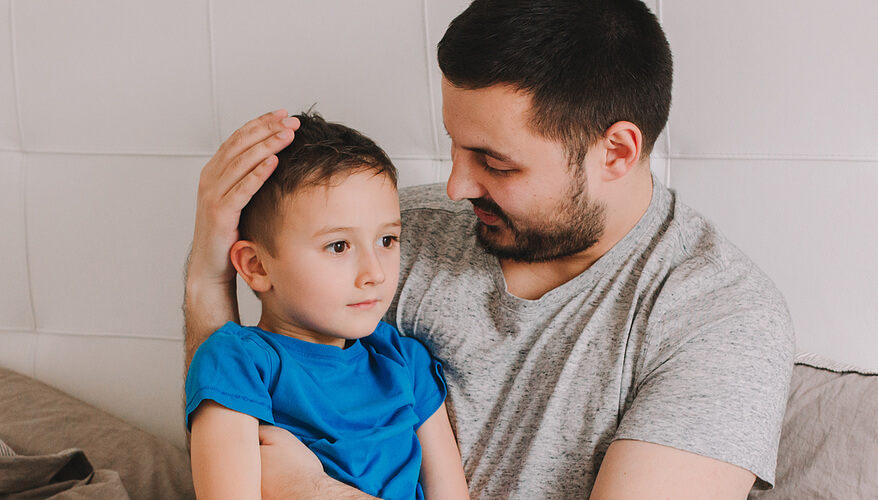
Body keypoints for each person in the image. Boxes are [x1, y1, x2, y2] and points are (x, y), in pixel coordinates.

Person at [184, 0, 795, 498]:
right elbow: (239, 397)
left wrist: (315, 493)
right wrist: (207, 268)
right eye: (454, 145)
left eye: (494, 161)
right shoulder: (396, 233)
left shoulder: (719, 318)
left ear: (616, 152)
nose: (455, 186)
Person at [185, 112, 470, 500]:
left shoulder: (405, 361)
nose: (375, 273)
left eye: (387, 240)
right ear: (256, 266)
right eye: (338, 246)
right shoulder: (238, 362)